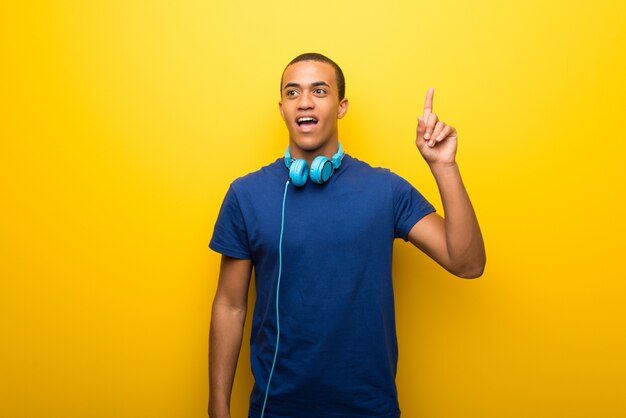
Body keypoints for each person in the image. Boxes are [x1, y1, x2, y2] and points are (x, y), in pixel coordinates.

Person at [208, 52, 486, 418]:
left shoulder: (386, 190)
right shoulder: (246, 195)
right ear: (282, 108)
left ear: (341, 107)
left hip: (369, 409)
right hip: (277, 409)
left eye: (319, 91)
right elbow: (230, 306)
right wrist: (217, 408)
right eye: (293, 93)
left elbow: (467, 263)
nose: (305, 102)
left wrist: (444, 167)